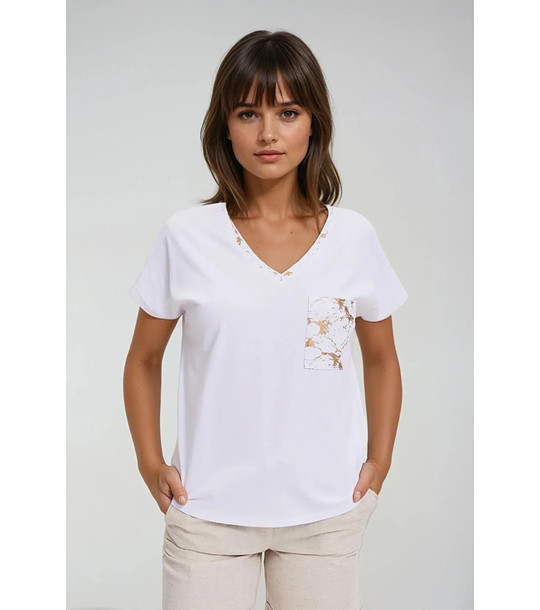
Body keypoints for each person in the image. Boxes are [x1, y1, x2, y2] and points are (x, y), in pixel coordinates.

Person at [123, 29, 408, 610]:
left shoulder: (354, 239)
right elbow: (143, 359)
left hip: (327, 515)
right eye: (248, 113)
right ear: (225, 126)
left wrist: (378, 464)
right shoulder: (186, 237)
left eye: (288, 112)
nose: (268, 133)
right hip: (208, 512)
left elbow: (381, 358)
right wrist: (150, 462)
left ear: (314, 123)